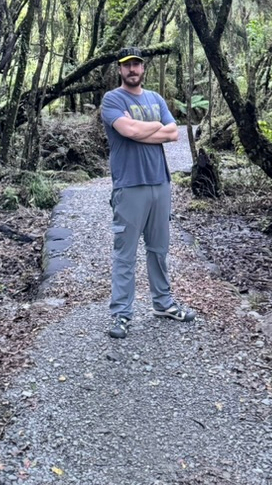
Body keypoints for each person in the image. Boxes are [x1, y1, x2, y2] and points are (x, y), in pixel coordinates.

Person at [101, 47, 195, 339]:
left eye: (137, 65)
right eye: (127, 66)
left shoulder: (155, 98)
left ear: (143, 69)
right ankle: (121, 314)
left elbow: (174, 132)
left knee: (159, 250)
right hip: (129, 185)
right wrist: (155, 128)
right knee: (125, 254)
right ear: (120, 70)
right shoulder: (112, 99)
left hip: (160, 183)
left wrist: (148, 130)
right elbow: (128, 130)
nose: (132, 70)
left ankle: (163, 303)